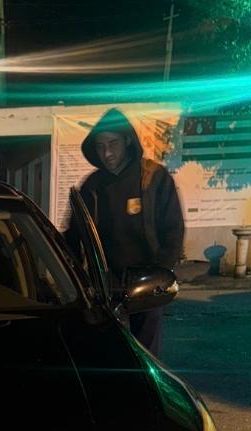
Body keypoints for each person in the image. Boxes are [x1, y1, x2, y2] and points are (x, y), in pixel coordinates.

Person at [65, 108, 184, 356]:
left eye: (113, 144)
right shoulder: (92, 186)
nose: (106, 153)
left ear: (128, 140)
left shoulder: (154, 179)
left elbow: (173, 231)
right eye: (100, 146)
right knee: (111, 354)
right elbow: (73, 235)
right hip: (105, 287)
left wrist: (159, 276)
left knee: (145, 355)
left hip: (146, 286)